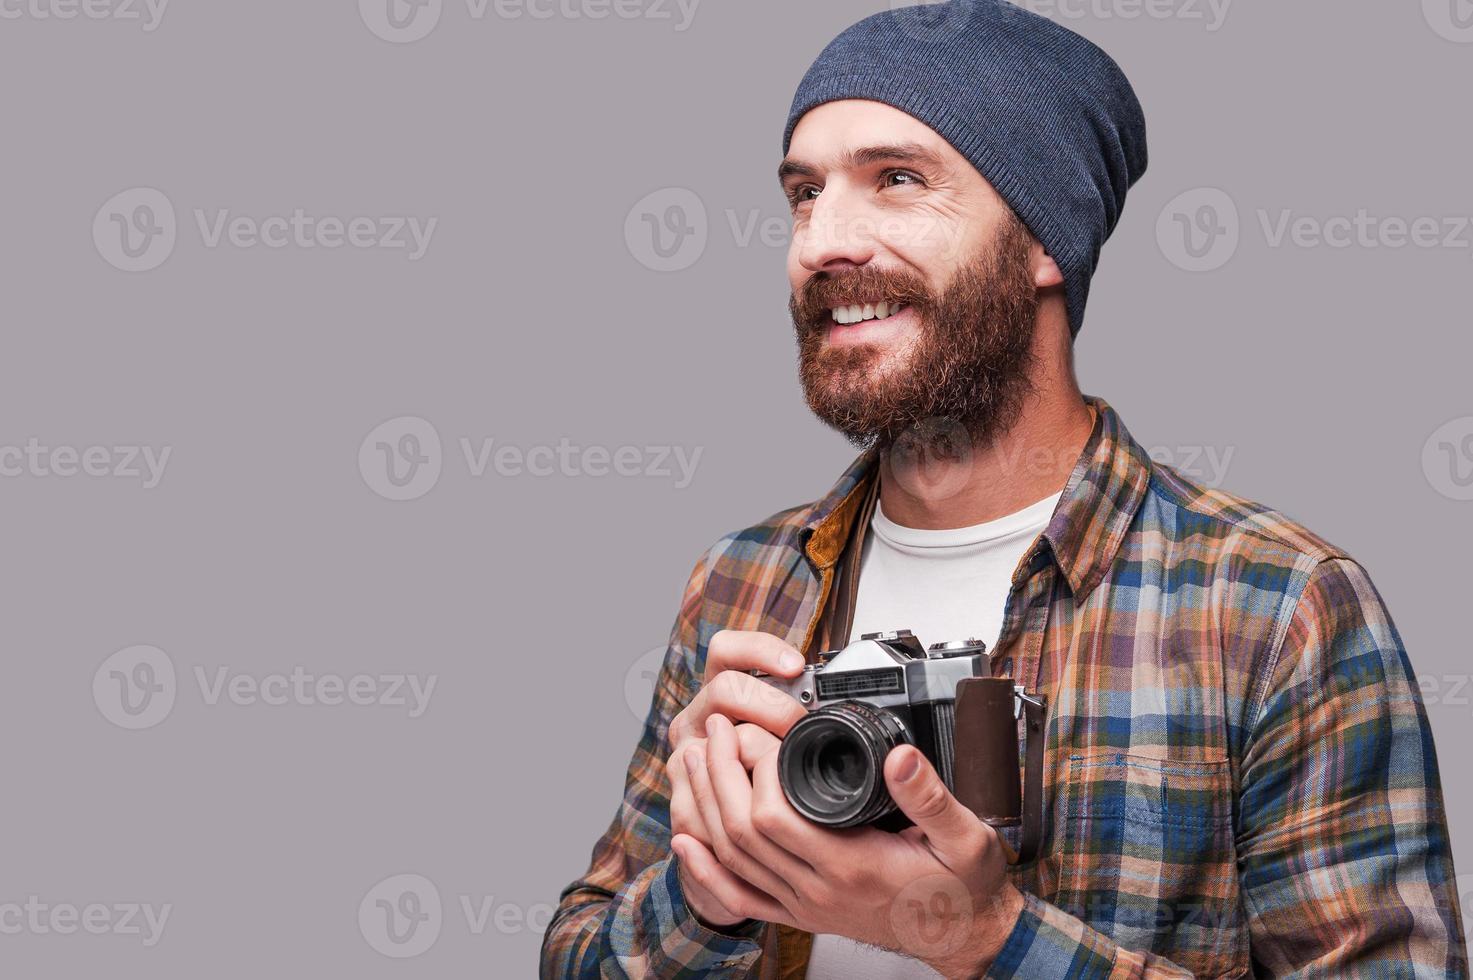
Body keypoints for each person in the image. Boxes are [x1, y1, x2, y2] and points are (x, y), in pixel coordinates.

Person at [541, 1, 1469, 976]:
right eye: (805, 193)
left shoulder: (1273, 608)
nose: (820, 242)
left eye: (897, 180)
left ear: (1043, 241)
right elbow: (575, 955)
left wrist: (990, 936)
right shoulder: (742, 585)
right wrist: (706, 892)